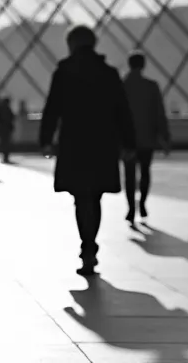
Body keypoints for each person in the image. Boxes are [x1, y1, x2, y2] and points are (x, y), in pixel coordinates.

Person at [40, 26, 136, 276]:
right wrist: (128, 143)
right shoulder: (109, 73)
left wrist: (46, 140)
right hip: (102, 142)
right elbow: (122, 111)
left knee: (80, 197)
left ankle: (87, 247)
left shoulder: (64, 72)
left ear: (71, 44)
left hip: (74, 142)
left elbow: (52, 108)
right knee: (95, 196)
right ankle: (91, 247)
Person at [121, 52, 170, 225]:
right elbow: (159, 113)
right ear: (143, 65)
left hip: (127, 139)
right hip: (146, 137)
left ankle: (130, 208)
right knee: (145, 172)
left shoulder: (122, 86)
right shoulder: (151, 86)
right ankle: (142, 203)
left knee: (129, 174)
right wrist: (164, 137)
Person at [0, 96, 17, 164]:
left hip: (2, 129)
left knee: (4, 143)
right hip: (6, 129)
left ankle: (5, 157)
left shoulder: (1, 109)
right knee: (6, 143)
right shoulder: (7, 109)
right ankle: (5, 157)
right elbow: (12, 117)